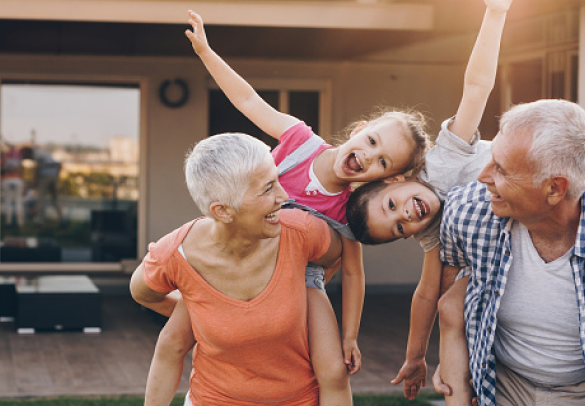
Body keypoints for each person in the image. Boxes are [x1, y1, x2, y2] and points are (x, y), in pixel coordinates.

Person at [142, 10, 431, 406]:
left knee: (330, 368)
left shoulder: (347, 210)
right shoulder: (300, 141)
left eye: (383, 163)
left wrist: (349, 337)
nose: (369, 157)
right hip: (237, 251)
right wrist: (207, 53)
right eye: (373, 142)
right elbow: (247, 99)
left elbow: (353, 272)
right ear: (361, 128)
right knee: (175, 337)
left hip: (300, 280)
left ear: (385, 179)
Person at [344, 0, 511, 402]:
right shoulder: (436, 232)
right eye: (400, 228)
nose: (406, 216)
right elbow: (426, 292)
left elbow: (476, 88)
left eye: (391, 206)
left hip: (547, 180)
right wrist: (415, 356)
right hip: (523, 240)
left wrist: (495, 12)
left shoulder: (441, 164)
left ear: (396, 179)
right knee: (452, 302)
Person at [130, 132, 343, 406]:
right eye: (267, 189)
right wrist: (198, 312)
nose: (283, 195)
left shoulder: (302, 232)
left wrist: (300, 291)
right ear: (223, 211)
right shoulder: (176, 254)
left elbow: (338, 255)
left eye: (277, 180)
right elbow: (143, 293)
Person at [431, 98, 585, 406]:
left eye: (501, 169)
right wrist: (458, 358)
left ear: (554, 188)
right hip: (504, 383)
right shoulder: (467, 210)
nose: (483, 176)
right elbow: (453, 278)